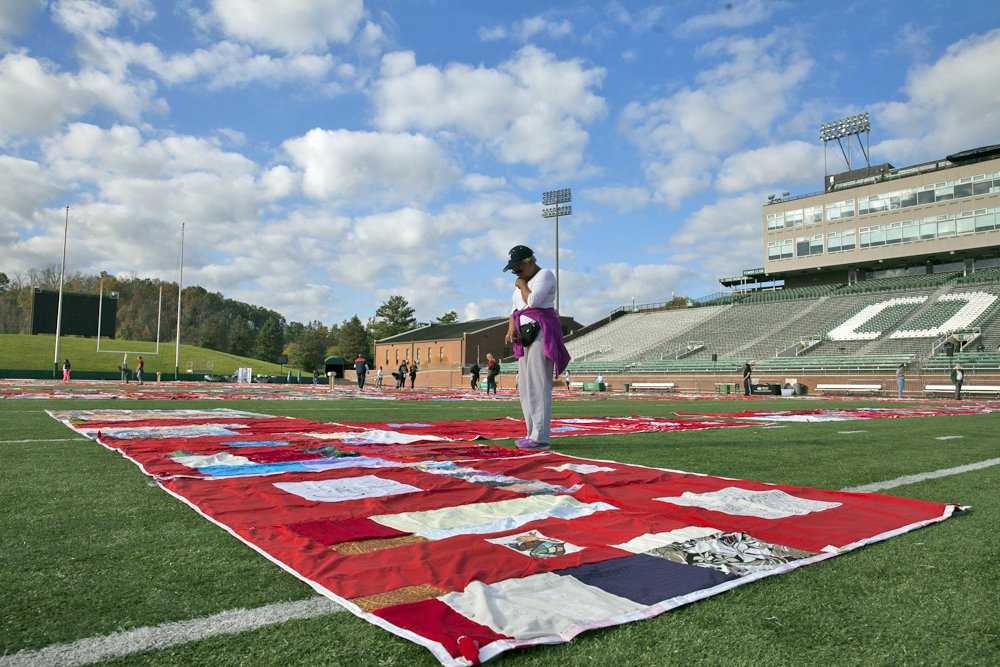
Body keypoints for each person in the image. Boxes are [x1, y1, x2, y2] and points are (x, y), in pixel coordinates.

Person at [503, 245, 570, 450]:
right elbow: (514, 309)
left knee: (539, 385)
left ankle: (540, 437)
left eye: (518, 269)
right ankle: (531, 432)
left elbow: (532, 301)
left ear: (530, 261)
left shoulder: (544, 275)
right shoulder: (522, 282)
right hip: (524, 336)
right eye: (514, 271)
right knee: (525, 386)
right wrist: (510, 328)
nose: (516, 273)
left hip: (541, 332)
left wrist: (522, 284)